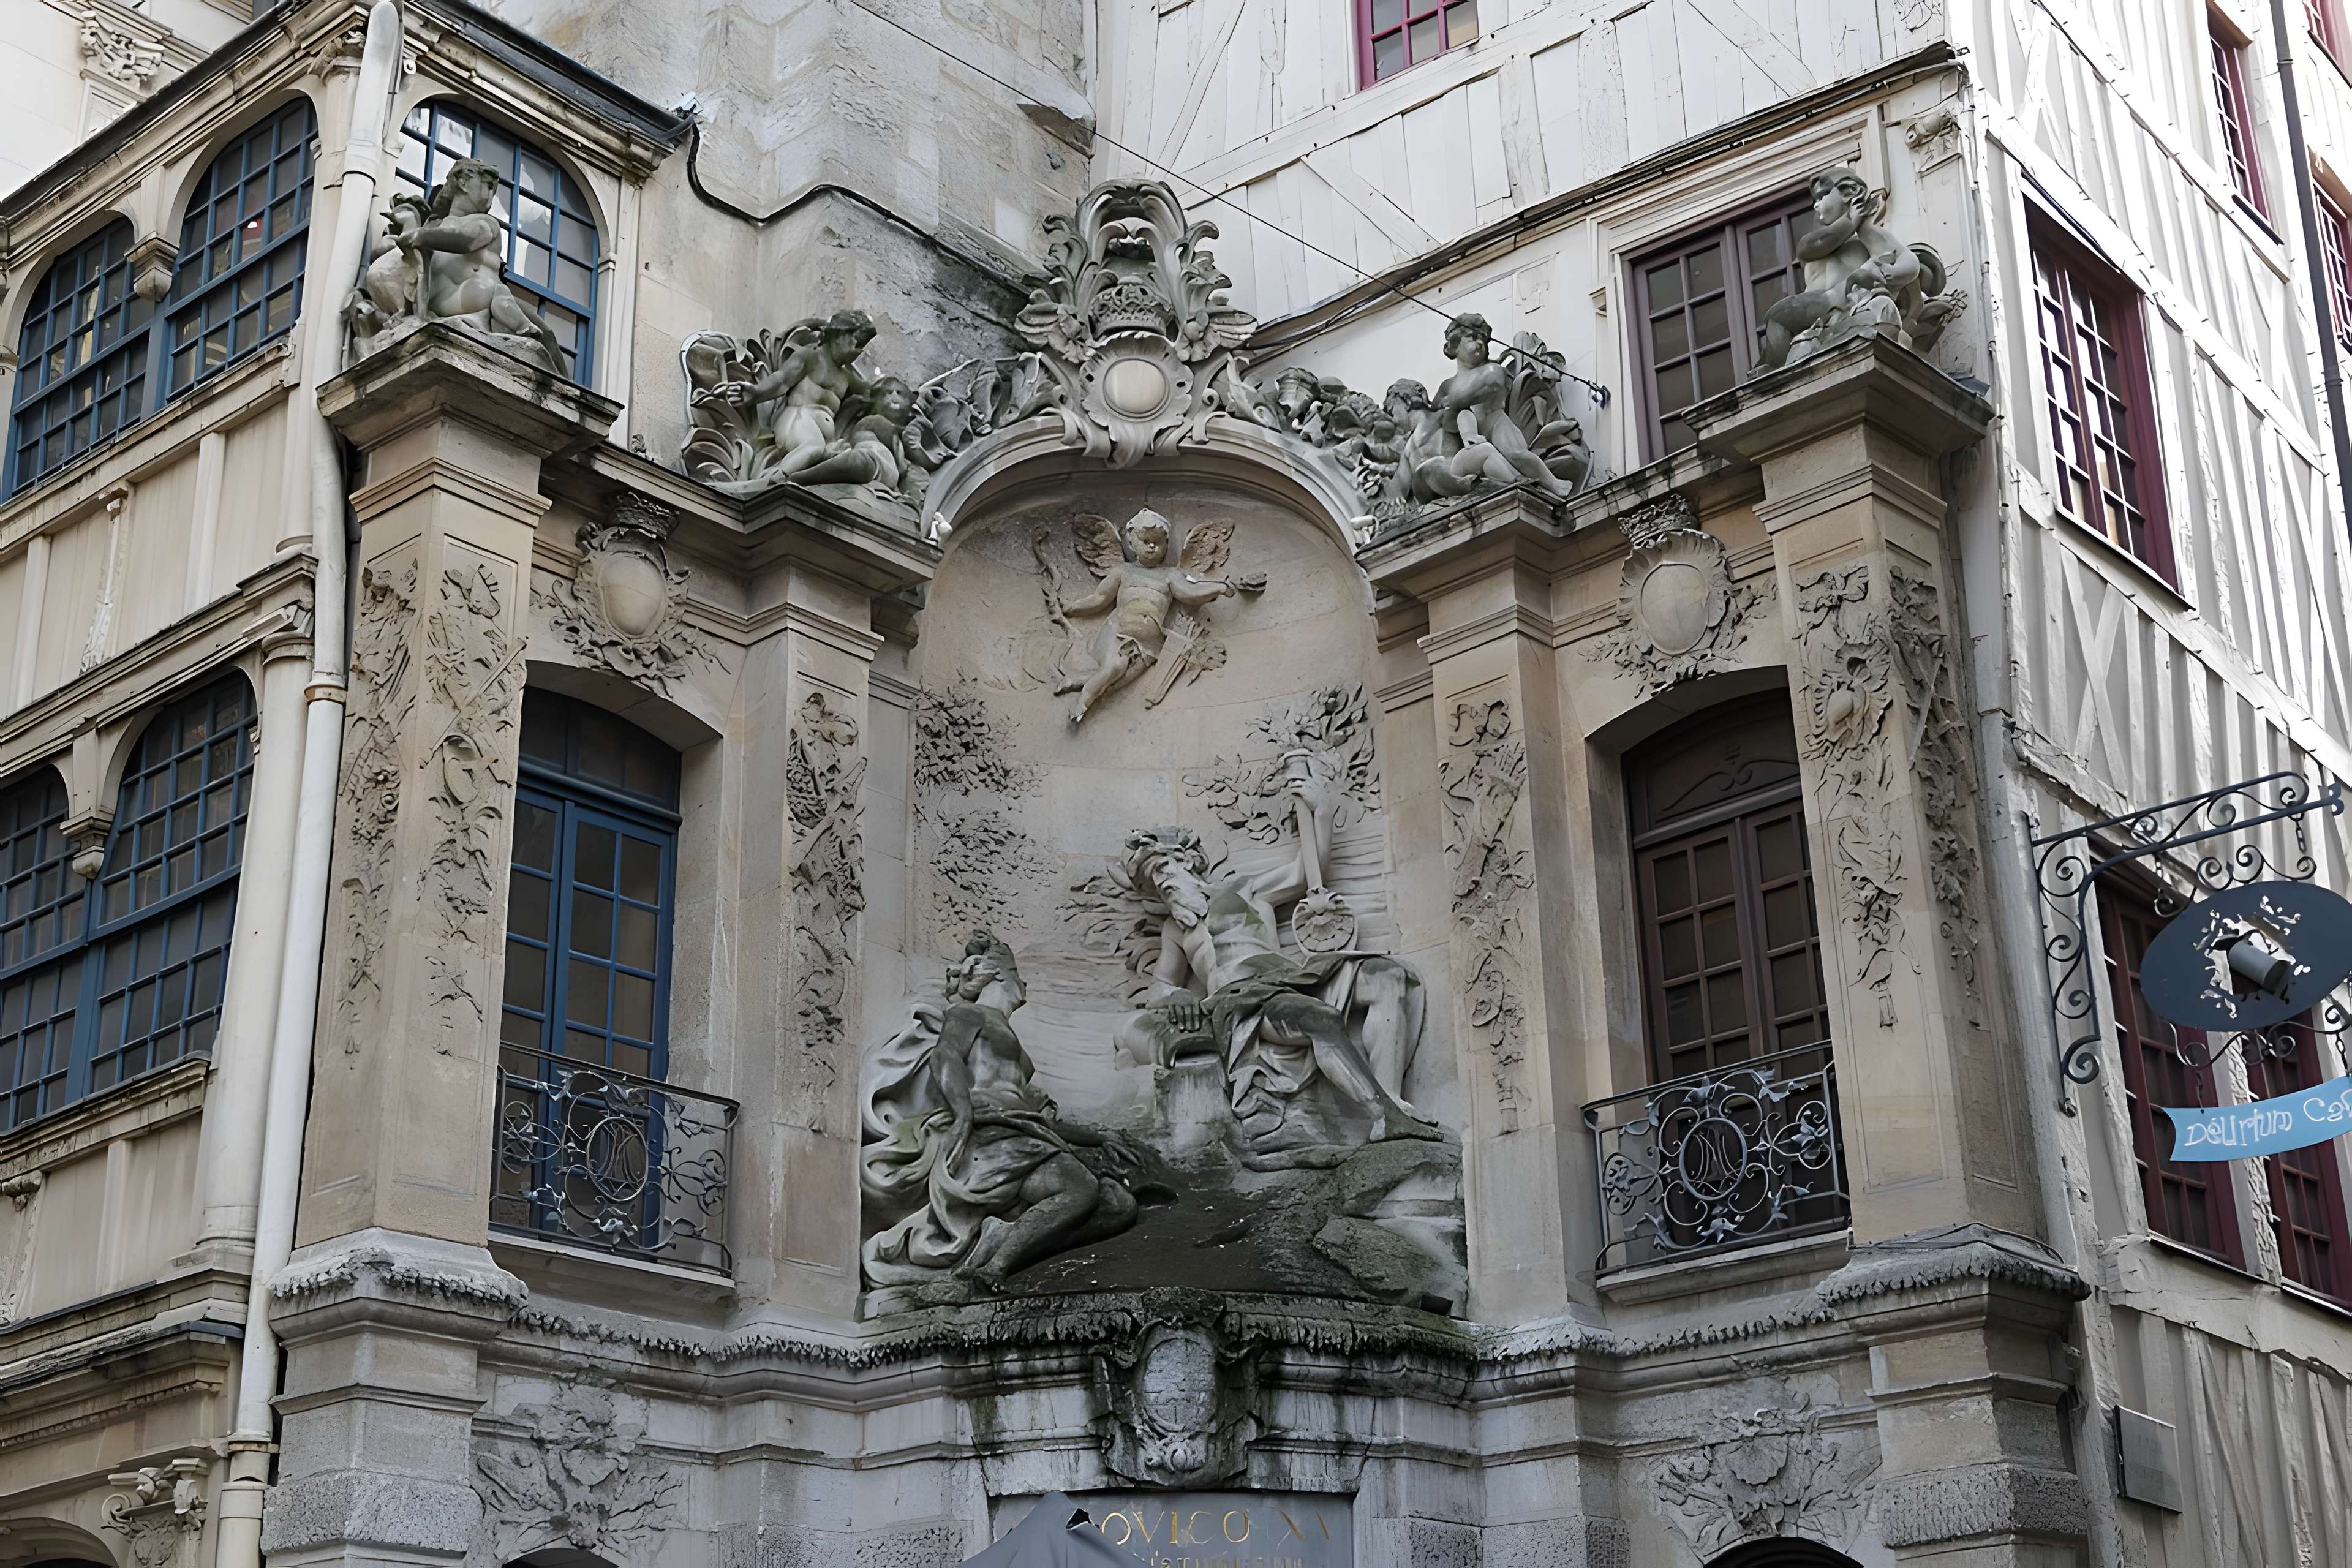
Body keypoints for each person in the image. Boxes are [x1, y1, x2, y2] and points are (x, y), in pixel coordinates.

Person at [860, 932, 1140, 1289]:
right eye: (1018, 974)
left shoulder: (1014, 1043)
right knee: (1081, 1189)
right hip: (993, 1129)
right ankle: (994, 1268)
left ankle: (998, 1242)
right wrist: (963, 1115)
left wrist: (1100, 1138)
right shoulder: (970, 1013)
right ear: (999, 974)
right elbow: (945, 1057)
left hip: (1025, 1129)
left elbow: (1041, 1120)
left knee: (1119, 1205)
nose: (1024, 983)